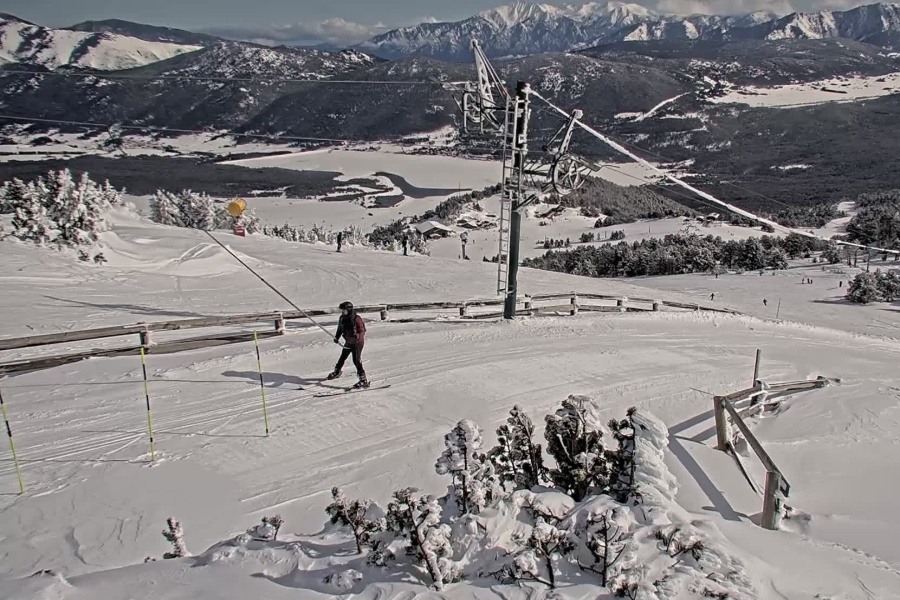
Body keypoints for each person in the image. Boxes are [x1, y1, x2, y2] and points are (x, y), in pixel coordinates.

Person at [326, 301, 368, 388]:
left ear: (349, 310)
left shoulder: (356, 318)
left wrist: (358, 336)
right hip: (348, 342)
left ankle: (363, 379)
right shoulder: (342, 318)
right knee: (342, 357)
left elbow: (362, 330)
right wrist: (337, 337)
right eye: (342, 310)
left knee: (356, 360)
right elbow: (340, 329)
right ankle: (337, 371)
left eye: (344, 310)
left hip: (357, 343)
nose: (342, 311)